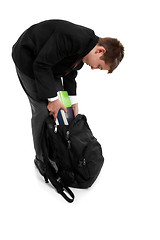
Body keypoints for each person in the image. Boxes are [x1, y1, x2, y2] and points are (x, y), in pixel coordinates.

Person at [12, 19, 124, 169]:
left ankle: (58, 149)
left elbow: (71, 73)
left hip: (50, 65)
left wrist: (73, 101)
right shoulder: (74, 38)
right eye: (98, 66)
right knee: (42, 111)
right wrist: (52, 99)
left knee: (65, 109)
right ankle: (42, 160)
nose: (93, 69)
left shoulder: (88, 48)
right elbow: (41, 65)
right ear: (100, 51)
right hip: (30, 60)